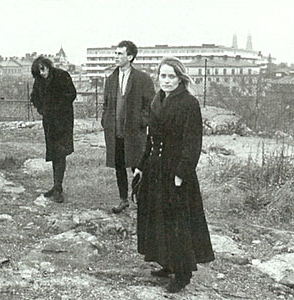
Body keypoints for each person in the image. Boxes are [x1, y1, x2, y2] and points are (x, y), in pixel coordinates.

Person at [133, 57, 215, 293]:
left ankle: (183, 273)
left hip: (176, 172)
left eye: (171, 76)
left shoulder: (189, 103)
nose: (166, 80)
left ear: (180, 78)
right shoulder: (156, 101)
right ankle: (166, 262)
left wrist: (181, 173)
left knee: (177, 222)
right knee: (158, 218)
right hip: (155, 170)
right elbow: (151, 139)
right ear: (158, 77)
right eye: (163, 76)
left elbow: (192, 143)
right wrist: (141, 165)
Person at [101, 40, 155, 213]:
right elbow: (106, 103)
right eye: (115, 53)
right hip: (115, 131)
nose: (116, 57)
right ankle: (123, 199)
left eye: (120, 54)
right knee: (119, 165)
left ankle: (142, 199)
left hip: (134, 132)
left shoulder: (142, 79)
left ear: (130, 57)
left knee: (137, 165)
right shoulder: (110, 79)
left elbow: (151, 105)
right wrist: (105, 120)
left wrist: (142, 121)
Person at [30, 56, 76, 203]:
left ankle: (58, 188)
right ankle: (56, 186)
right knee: (54, 153)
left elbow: (71, 94)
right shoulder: (39, 81)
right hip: (49, 122)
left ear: (48, 66)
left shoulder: (62, 75)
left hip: (63, 121)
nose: (42, 73)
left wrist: (57, 108)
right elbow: (34, 97)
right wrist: (42, 110)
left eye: (43, 69)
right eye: (39, 71)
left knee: (60, 153)